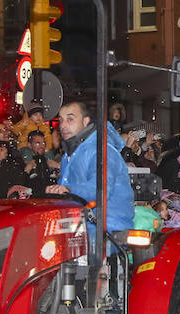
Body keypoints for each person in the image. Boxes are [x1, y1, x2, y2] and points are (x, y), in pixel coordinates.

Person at [47, 100, 134, 233]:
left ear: (86, 121)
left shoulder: (101, 151)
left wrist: (68, 190)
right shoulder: (70, 155)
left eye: (70, 119)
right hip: (81, 227)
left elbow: (100, 188)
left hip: (108, 231)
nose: (63, 125)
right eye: (61, 120)